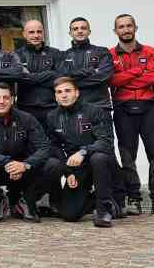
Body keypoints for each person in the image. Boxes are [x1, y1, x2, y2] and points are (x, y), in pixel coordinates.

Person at [107, 14, 154, 217]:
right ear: (115, 30)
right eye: (121, 27)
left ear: (135, 27)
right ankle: (133, 199)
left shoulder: (151, 51)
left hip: (149, 107)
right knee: (128, 157)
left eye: (129, 26)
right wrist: (138, 72)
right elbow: (111, 81)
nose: (126, 29)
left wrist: (125, 78)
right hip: (122, 108)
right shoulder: (108, 55)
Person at [0, 83, 59, 223]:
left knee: (54, 164)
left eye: (6, 97)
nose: (1, 101)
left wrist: (26, 164)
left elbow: (45, 147)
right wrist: (6, 162)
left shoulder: (27, 118)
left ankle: (26, 202)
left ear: (12, 100)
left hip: (23, 170)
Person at [46, 77, 121, 227]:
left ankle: (103, 211)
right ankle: (104, 198)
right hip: (78, 167)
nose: (64, 95)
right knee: (69, 215)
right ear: (55, 96)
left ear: (77, 93)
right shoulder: (52, 116)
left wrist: (83, 152)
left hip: (101, 162)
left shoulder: (95, 111)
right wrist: (68, 172)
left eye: (68, 90)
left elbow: (105, 141)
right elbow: (54, 147)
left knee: (98, 158)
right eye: (59, 92)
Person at [59, 17, 114, 110]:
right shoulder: (64, 55)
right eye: (75, 29)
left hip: (100, 106)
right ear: (70, 33)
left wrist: (73, 80)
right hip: (73, 107)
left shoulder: (102, 51)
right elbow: (63, 79)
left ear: (89, 31)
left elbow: (104, 77)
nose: (79, 31)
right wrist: (92, 71)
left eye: (83, 28)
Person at [14, 20, 62, 125]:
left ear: (43, 33)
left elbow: (59, 79)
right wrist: (50, 74)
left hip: (52, 108)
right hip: (25, 109)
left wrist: (29, 77)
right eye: (31, 32)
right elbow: (19, 78)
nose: (36, 35)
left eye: (39, 32)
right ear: (24, 34)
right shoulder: (16, 55)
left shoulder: (55, 53)